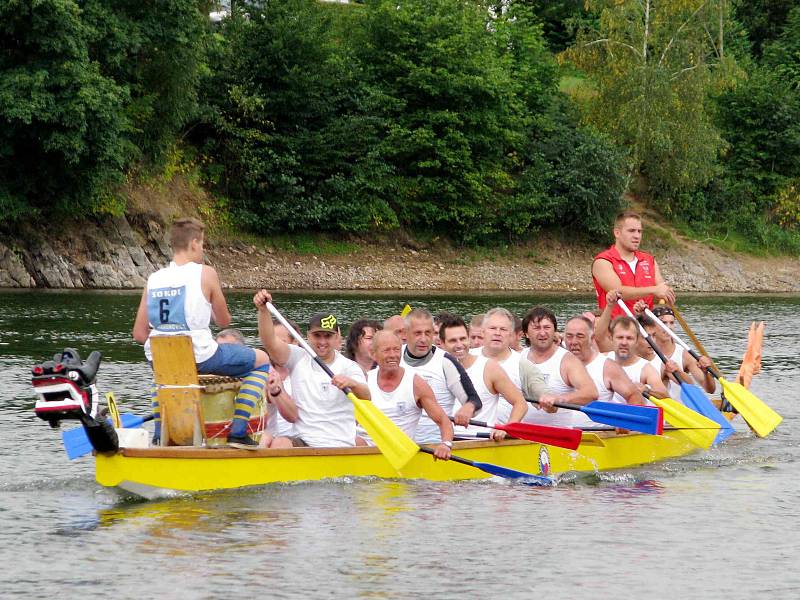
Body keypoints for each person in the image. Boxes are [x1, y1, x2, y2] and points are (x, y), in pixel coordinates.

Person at [132, 217, 270, 448]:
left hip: (158, 358)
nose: (202, 249)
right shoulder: (205, 273)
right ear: (194, 243)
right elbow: (224, 321)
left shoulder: (153, 279)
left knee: (166, 378)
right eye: (202, 244)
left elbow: (139, 334)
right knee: (262, 360)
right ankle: (238, 432)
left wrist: (170, 339)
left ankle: (159, 436)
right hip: (200, 355)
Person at [255, 290, 370, 448]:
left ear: (337, 337)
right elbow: (270, 342)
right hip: (304, 441)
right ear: (308, 336)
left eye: (327, 336)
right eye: (317, 336)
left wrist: (352, 384)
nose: (322, 341)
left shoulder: (349, 367)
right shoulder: (298, 357)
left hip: (340, 443)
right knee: (280, 443)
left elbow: (366, 398)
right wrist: (263, 311)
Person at [365, 331, 453, 459]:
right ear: (373, 354)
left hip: (400, 452)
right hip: (365, 449)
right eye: (386, 350)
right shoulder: (364, 380)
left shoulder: (416, 383)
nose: (393, 355)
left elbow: (444, 421)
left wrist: (446, 444)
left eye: (396, 349)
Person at [438, 314, 528, 440]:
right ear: (441, 343)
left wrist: (507, 428)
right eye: (453, 341)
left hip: (478, 442)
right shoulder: (434, 368)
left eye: (463, 339)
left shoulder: (489, 368)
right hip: (440, 440)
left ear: (468, 339)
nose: (459, 345)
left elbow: (521, 403)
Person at [401, 308, 482, 443]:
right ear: (405, 333)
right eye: (417, 333)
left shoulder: (446, 362)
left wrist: (468, 409)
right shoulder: (393, 355)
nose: (423, 339)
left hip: (435, 445)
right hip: (398, 445)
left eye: (428, 333)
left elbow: (474, 400)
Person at [562, 315, 645, 426]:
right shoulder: (555, 361)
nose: (574, 342)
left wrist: (626, 421)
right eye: (569, 336)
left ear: (591, 339)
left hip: (598, 438)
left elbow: (634, 396)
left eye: (580, 336)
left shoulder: (607, 367)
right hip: (556, 437)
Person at [521, 307, 597, 427]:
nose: (542, 333)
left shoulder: (568, 361)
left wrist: (560, 399)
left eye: (547, 327)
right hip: (523, 437)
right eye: (536, 328)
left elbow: (591, 393)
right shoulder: (518, 358)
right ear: (526, 334)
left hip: (558, 437)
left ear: (554, 331)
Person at [592, 210, 675, 318]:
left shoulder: (649, 260)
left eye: (639, 231)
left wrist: (666, 294)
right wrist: (654, 290)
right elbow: (618, 293)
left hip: (645, 328)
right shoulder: (603, 261)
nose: (637, 236)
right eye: (631, 231)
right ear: (617, 233)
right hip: (615, 329)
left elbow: (660, 293)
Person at [470, 308, 547, 424]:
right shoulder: (467, 358)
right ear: (483, 332)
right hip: (461, 434)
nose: (497, 333)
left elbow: (544, 396)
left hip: (503, 438)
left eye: (503, 329)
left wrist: (548, 400)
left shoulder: (524, 365)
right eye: (492, 328)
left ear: (511, 334)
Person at [594, 291, 668, 401]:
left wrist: (646, 391)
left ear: (637, 340)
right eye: (620, 337)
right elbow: (599, 336)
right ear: (611, 338)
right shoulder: (603, 359)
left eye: (629, 338)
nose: (624, 342)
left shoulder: (646, 369)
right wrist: (609, 306)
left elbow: (665, 397)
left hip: (635, 414)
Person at [649, 305, 716, 400]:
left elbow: (710, 389)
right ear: (652, 326)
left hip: (678, 411)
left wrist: (706, 373)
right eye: (663, 323)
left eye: (671, 323)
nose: (668, 327)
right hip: (653, 409)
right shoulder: (645, 351)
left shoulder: (685, 355)